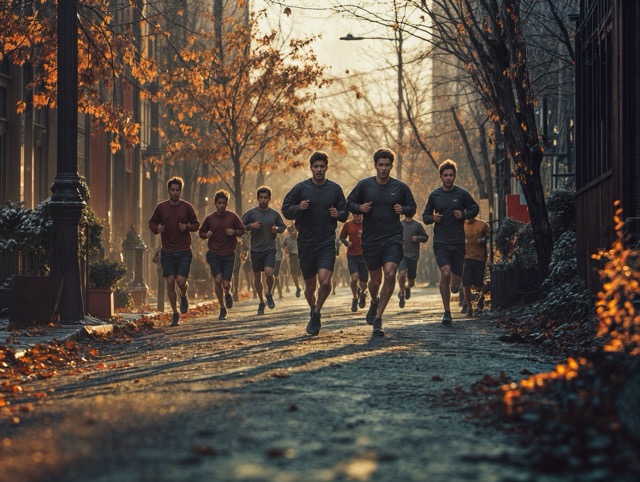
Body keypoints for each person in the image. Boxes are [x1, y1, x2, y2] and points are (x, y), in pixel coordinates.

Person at [346, 148, 417, 337]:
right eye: (381, 165)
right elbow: (349, 203)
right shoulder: (365, 185)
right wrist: (360, 207)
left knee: (390, 272)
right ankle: (374, 300)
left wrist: (403, 209)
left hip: (392, 238)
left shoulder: (400, 187)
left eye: (387, 165)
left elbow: (412, 208)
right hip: (370, 240)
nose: (384, 168)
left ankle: (378, 319)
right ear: (375, 166)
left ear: (391, 166)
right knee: (375, 281)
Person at [282, 151, 348, 335]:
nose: (319, 169)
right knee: (310, 287)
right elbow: (285, 209)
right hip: (306, 243)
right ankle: (314, 310)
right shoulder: (301, 188)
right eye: (316, 166)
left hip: (326, 241)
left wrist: (338, 214)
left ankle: (317, 313)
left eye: (322, 166)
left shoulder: (335, 189)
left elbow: (345, 212)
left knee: (325, 282)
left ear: (327, 167)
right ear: (311, 168)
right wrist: (298, 208)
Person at [422, 159, 479, 325]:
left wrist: (464, 214)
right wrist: (433, 218)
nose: (448, 178)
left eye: (451, 175)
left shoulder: (462, 194)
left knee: (455, 285)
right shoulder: (434, 195)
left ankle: (454, 289)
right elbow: (425, 217)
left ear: (454, 176)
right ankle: (447, 312)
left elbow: (474, 208)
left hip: (458, 242)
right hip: (441, 242)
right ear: (440, 176)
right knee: (445, 272)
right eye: (445, 175)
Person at [148, 176, 200, 326]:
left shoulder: (187, 207)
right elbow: (151, 223)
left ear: (180, 191)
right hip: (167, 250)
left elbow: (196, 224)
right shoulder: (161, 207)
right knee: (170, 281)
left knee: (181, 281)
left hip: (184, 250)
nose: (175, 192)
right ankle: (175, 313)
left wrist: (187, 227)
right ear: (169, 191)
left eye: (177, 190)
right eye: (172, 190)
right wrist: (157, 229)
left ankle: (183, 295)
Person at [198, 190, 245, 321]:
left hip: (229, 254)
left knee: (225, 283)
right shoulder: (209, 219)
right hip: (214, 253)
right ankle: (222, 308)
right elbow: (201, 233)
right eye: (219, 203)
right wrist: (205, 235)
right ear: (215, 204)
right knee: (217, 280)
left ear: (227, 203)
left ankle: (227, 292)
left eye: (224, 203)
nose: (222, 205)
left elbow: (242, 231)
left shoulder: (232, 217)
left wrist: (234, 232)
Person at [241, 186, 287, 315]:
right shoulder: (251, 213)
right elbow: (240, 227)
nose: (263, 200)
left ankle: (269, 293)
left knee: (268, 273)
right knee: (257, 276)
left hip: (269, 249)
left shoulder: (274, 214)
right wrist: (251, 226)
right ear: (257, 199)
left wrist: (276, 229)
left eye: (265, 197)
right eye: (261, 197)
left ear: (269, 199)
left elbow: (283, 227)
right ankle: (261, 301)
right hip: (255, 250)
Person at [339, 212, 368, 312]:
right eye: (355, 214)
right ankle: (355, 298)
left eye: (359, 214)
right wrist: (347, 243)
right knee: (354, 278)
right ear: (352, 214)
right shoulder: (348, 224)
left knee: (364, 283)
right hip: (352, 255)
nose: (357, 215)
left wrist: (365, 237)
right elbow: (341, 237)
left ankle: (363, 293)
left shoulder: (367, 223)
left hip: (365, 255)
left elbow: (374, 235)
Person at [397, 214, 429, 308]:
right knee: (402, 274)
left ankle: (407, 288)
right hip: (401, 255)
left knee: (412, 282)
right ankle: (402, 294)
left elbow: (426, 237)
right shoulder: (399, 224)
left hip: (413, 256)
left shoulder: (417, 225)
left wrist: (418, 238)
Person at [462, 212, 490, 317]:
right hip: (466, 258)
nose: (468, 220)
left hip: (479, 258)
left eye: (470, 217)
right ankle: (469, 308)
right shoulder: (461, 225)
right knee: (466, 284)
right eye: (467, 218)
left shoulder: (482, 224)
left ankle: (481, 296)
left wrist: (482, 240)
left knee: (478, 286)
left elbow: (489, 237)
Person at [282, 225, 302, 299]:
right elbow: (283, 246)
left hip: (302, 255)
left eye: (293, 230)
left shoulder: (300, 236)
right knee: (293, 273)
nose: (292, 232)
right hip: (292, 256)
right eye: (290, 231)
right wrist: (285, 249)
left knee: (301, 273)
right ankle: (297, 287)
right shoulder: (287, 239)